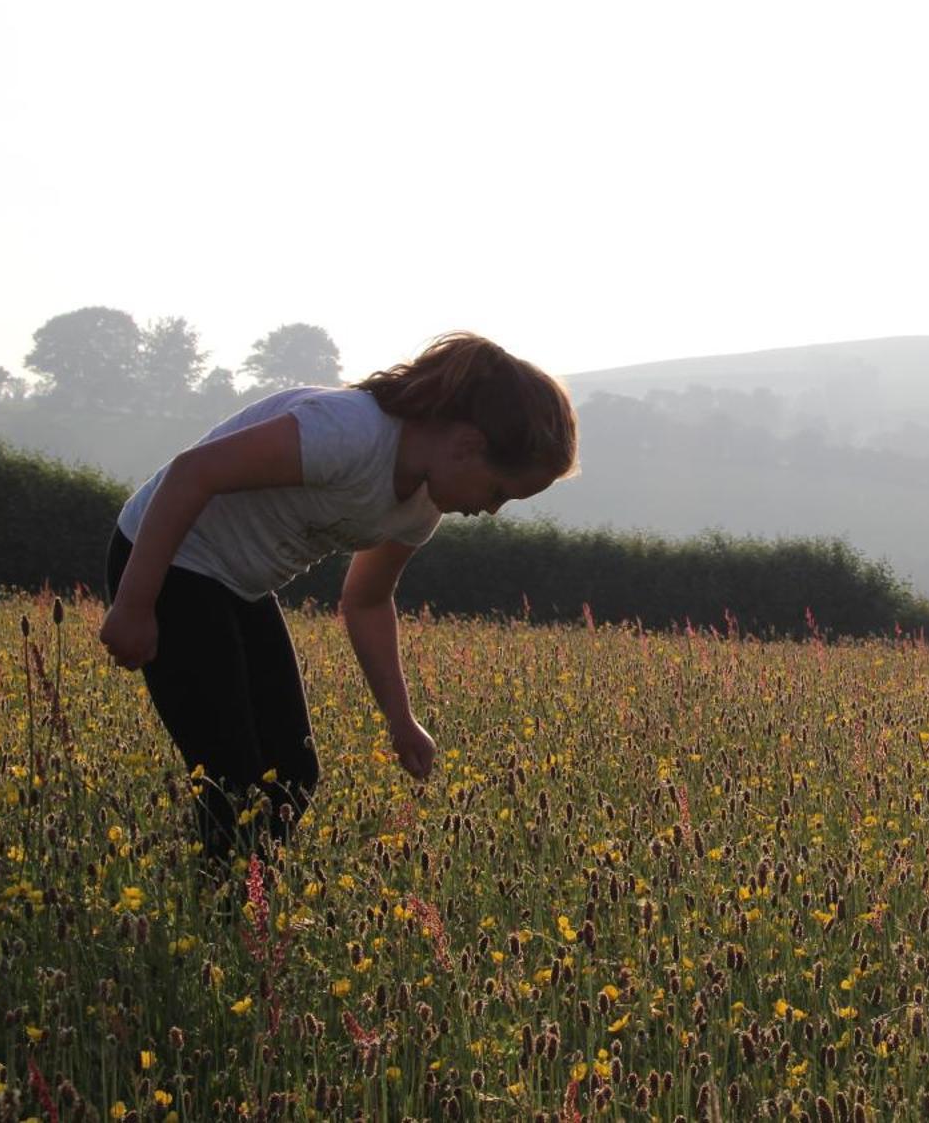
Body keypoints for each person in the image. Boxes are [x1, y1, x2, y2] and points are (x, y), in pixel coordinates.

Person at [100, 332, 577, 862]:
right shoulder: (349, 433)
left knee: (293, 774)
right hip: (168, 557)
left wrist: (401, 720)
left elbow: (367, 601)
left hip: (240, 585)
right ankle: (222, 907)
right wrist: (134, 604)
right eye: (498, 492)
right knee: (231, 777)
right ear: (466, 445)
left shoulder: (421, 507)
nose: (492, 511)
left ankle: (240, 893)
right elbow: (193, 472)